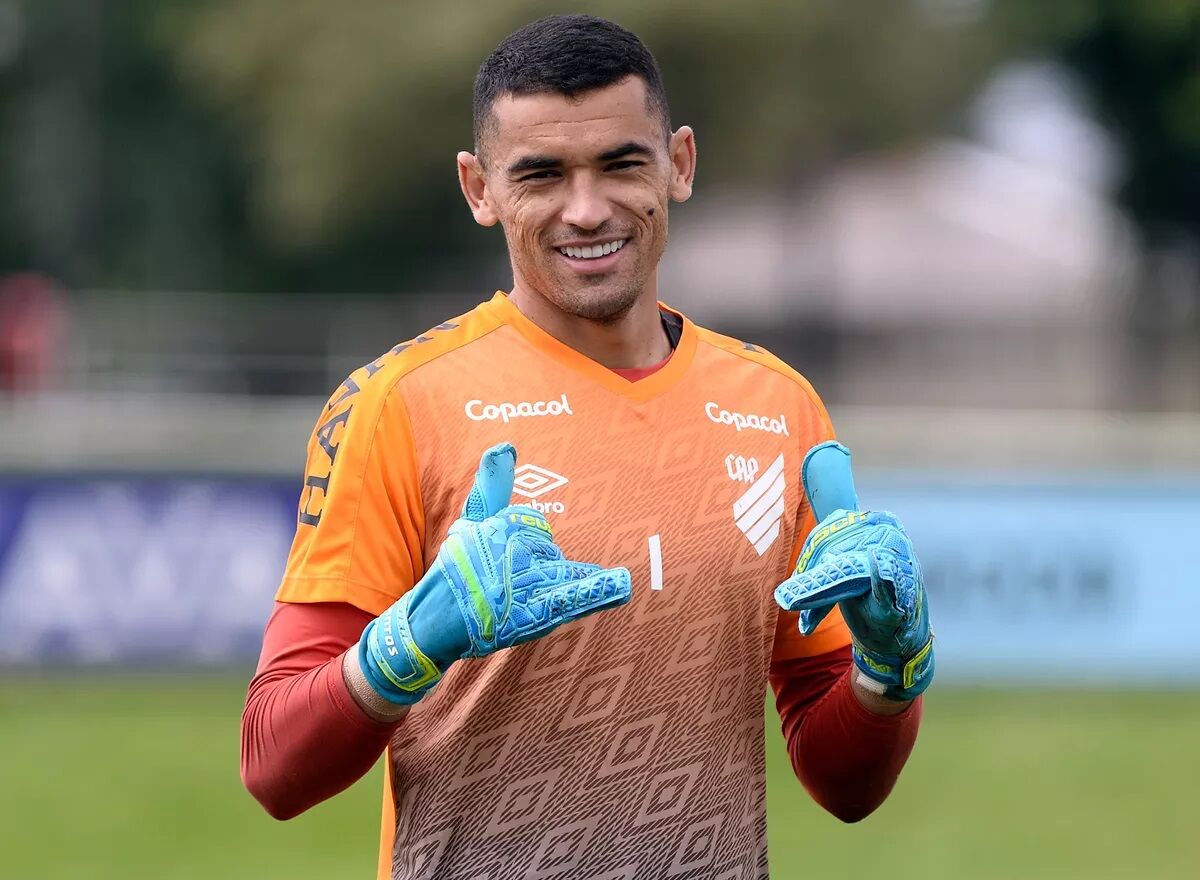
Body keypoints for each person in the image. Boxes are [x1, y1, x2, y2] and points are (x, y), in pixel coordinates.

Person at [241, 14, 934, 879]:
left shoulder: (777, 406)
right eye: (541, 174)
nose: (587, 208)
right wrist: (406, 648)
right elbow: (272, 765)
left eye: (621, 163)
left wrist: (886, 670)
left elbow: (845, 786)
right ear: (479, 188)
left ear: (678, 163)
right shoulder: (398, 404)